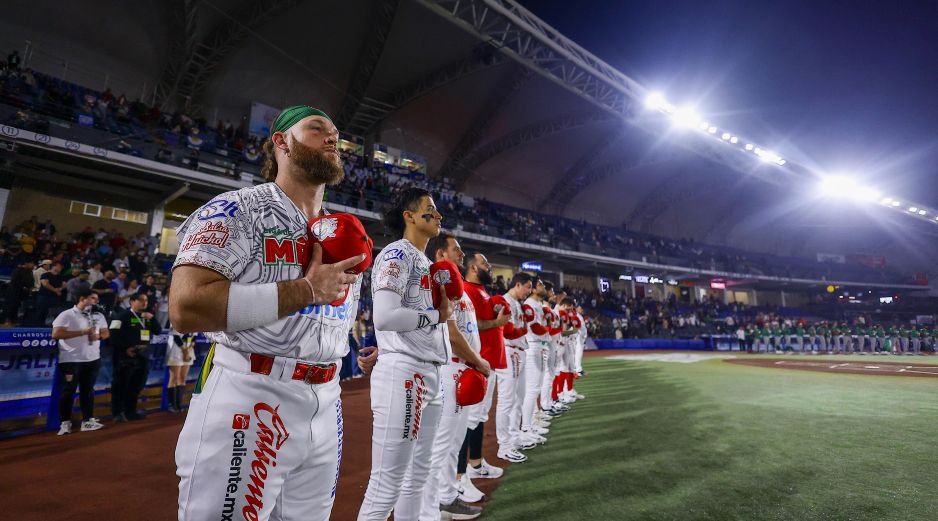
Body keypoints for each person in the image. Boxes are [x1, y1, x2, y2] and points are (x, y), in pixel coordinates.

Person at [170, 105, 374, 521]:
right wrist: (305, 290)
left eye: (337, 133)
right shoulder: (237, 209)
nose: (333, 138)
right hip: (252, 392)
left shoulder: (343, 229)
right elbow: (186, 307)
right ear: (281, 141)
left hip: (326, 398)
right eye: (317, 129)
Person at [358, 187, 452, 521]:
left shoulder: (426, 262)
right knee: (387, 485)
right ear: (408, 216)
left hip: (429, 372)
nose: (438, 215)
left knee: (417, 478)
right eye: (431, 209)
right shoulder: (398, 254)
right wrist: (437, 316)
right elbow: (385, 316)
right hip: (406, 374)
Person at [419, 234, 492, 521]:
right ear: (441, 253)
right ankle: (430, 508)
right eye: (456, 250)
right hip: (453, 369)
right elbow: (451, 334)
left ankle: (448, 497)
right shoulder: (439, 282)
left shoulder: (455, 284)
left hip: (464, 369)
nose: (461, 255)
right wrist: (479, 361)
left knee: (454, 441)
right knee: (443, 443)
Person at [460, 253, 514, 479]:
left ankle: (476, 463)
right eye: (485, 263)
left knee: (480, 417)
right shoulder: (466, 290)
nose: (489, 266)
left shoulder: (482, 291)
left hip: (487, 362)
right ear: (473, 267)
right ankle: (459, 477)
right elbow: (470, 325)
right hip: (477, 363)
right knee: (467, 420)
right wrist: (496, 322)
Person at [51, 289, 109, 435]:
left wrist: (99, 337)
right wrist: (82, 332)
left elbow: (106, 332)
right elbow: (56, 334)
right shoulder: (67, 314)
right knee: (68, 391)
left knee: (88, 391)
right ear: (82, 298)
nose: (96, 301)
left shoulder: (99, 315)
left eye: (97, 298)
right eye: (93, 298)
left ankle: (87, 421)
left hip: (93, 359)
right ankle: (65, 423)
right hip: (71, 360)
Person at [494, 273, 535, 463]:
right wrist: (525, 329)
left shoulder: (517, 303)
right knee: (507, 400)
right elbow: (508, 332)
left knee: (519, 398)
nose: (529, 291)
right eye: (527, 286)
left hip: (520, 351)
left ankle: (515, 437)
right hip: (509, 352)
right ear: (517, 284)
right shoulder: (504, 301)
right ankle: (504, 445)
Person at [109, 292, 161, 421]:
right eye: (142, 300)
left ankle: (130, 411)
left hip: (142, 356)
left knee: (137, 385)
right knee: (121, 385)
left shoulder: (146, 317)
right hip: (125, 357)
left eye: (146, 301)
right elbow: (113, 335)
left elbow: (158, 330)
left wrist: (152, 318)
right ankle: (118, 413)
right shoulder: (121, 316)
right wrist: (125, 348)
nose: (145, 303)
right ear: (132, 301)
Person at [165, 325, 196, 413]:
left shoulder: (195, 319)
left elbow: (194, 337)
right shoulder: (178, 315)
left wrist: (189, 350)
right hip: (177, 349)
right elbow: (175, 336)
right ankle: (171, 405)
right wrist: (184, 350)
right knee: (174, 378)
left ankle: (179, 404)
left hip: (189, 350)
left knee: (182, 378)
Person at [33, 262, 64, 326]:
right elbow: (45, 284)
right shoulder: (46, 275)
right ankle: (38, 327)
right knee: (41, 312)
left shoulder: (60, 276)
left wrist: (60, 289)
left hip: (54, 297)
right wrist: (55, 290)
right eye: (59, 266)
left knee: (53, 313)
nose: (61, 268)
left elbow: (64, 284)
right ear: (54, 266)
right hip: (44, 296)